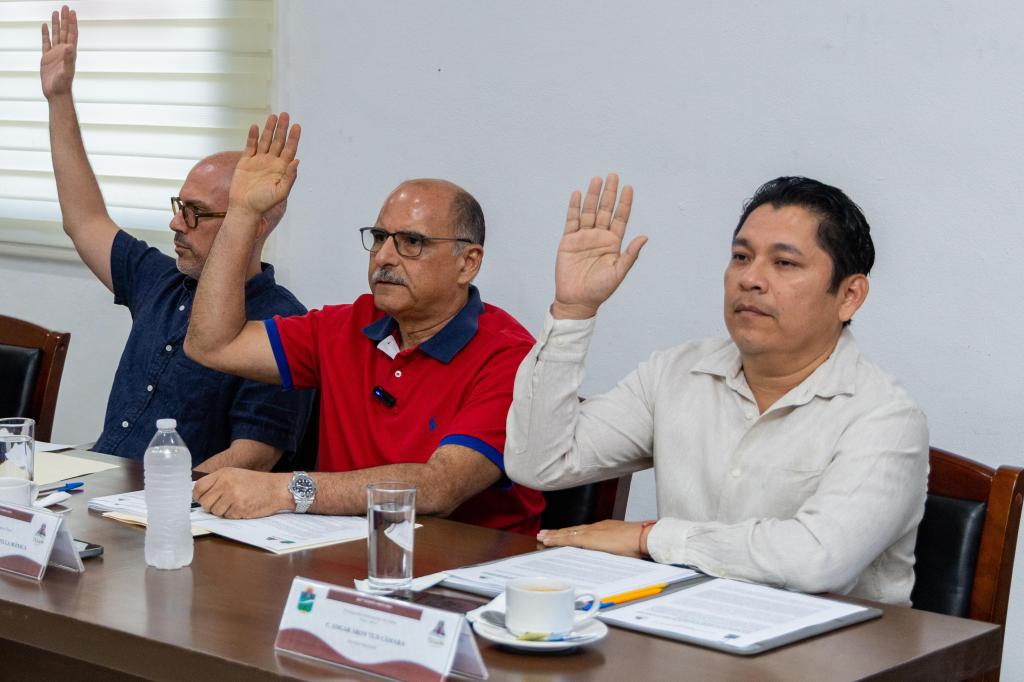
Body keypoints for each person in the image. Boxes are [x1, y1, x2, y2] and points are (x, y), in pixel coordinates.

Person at [505, 173, 928, 605]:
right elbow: (539, 464)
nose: (751, 279)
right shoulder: (677, 372)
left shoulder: (885, 417)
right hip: (684, 625)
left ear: (849, 295)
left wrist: (649, 538)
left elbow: (816, 560)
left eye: (784, 263)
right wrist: (574, 311)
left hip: (833, 644)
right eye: (741, 257)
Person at [184, 115, 544, 533]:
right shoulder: (349, 324)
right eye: (378, 238)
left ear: (468, 263)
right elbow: (211, 344)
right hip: (340, 550)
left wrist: (287, 489)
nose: (384, 257)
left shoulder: (511, 355)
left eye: (411, 242)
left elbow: (440, 487)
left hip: (470, 564)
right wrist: (243, 214)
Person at [40, 6, 313, 471]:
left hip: (176, 504)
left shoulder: (280, 323)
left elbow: (250, 460)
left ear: (253, 223)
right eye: (178, 205)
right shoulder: (160, 279)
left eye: (195, 213)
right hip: (102, 481)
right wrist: (59, 97)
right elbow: (84, 221)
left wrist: (160, 499)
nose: (176, 224)